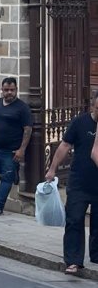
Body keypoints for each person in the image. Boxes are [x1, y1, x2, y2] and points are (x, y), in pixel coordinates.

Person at [46, 92, 98, 274]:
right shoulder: (79, 123)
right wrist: (52, 169)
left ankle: (96, 255)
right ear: (92, 106)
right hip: (79, 181)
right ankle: (73, 260)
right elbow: (64, 146)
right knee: (74, 219)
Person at [0, 77, 33, 217]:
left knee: (6, 178)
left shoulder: (22, 108)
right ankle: (11, 171)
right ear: (2, 90)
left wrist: (22, 150)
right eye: (6, 90)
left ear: (16, 90)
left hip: (11, 151)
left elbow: (28, 129)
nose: (9, 93)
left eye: (12, 90)